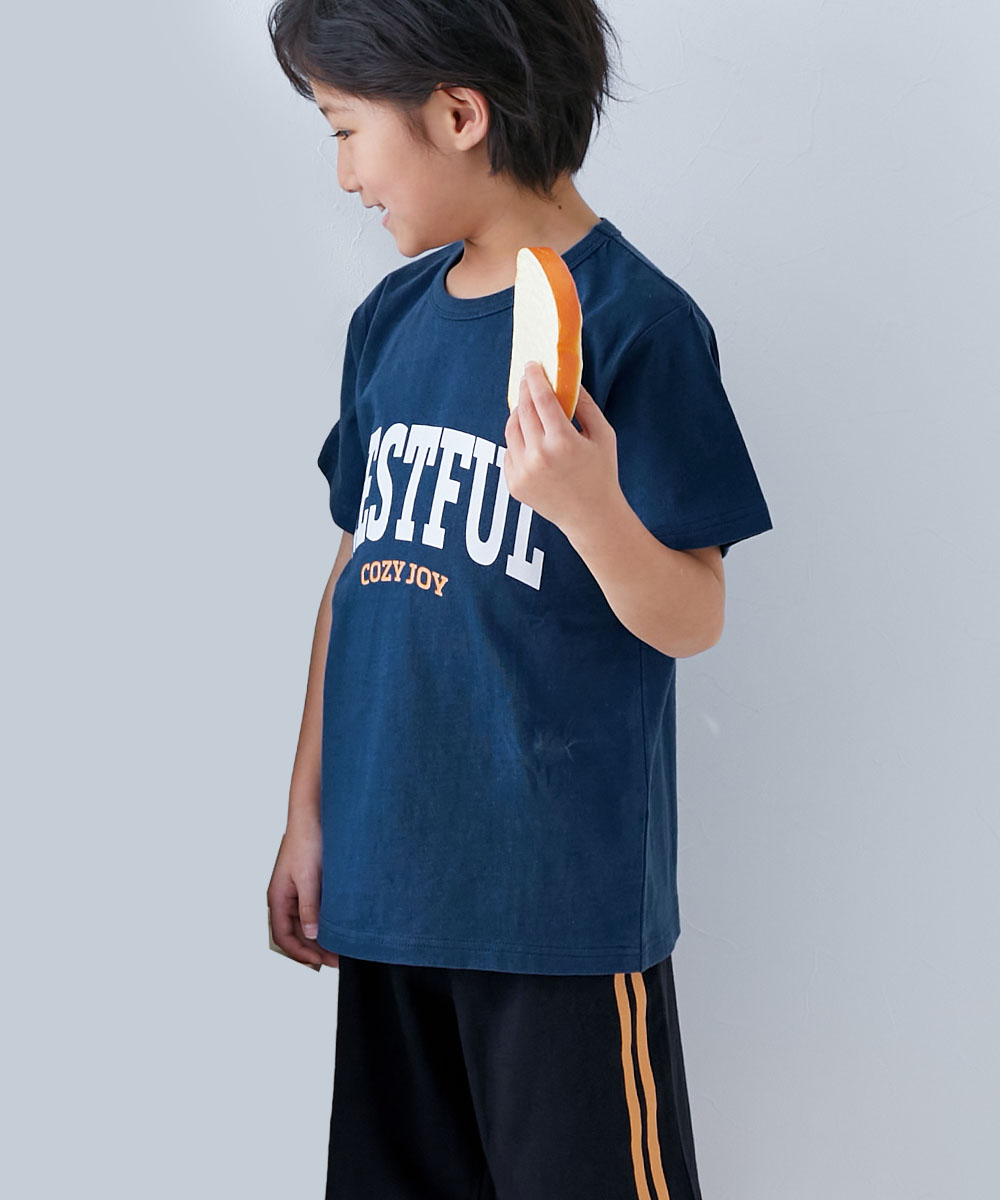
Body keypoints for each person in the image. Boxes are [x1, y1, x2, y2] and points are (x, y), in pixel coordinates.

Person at [264, 2, 773, 1197]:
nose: (342, 175)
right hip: (388, 891)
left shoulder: (638, 325)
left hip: (554, 915)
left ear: (457, 114)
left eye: (344, 130)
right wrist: (308, 813)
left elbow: (693, 614)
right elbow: (355, 577)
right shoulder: (389, 324)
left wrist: (589, 507)